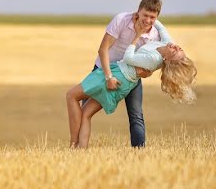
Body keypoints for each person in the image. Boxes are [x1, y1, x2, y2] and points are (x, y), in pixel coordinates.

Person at [65, 26, 197, 149]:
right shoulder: (166, 45)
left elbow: (128, 58)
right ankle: (80, 150)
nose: (175, 47)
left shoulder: (154, 58)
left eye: (175, 51)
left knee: (71, 95)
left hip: (118, 76)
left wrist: (137, 35)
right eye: (179, 48)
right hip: (124, 80)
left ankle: (73, 144)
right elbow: (161, 28)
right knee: (86, 114)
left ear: (167, 60)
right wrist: (149, 21)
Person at [87, 0, 171, 147]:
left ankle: (139, 152)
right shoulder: (121, 20)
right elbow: (103, 49)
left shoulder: (155, 36)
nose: (148, 20)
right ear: (138, 11)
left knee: (136, 115)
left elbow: (152, 61)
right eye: (145, 15)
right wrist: (108, 77)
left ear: (157, 17)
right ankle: (77, 148)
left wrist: (147, 72)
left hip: (129, 77)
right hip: (103, 70)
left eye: (152, 17)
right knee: (84, 110)